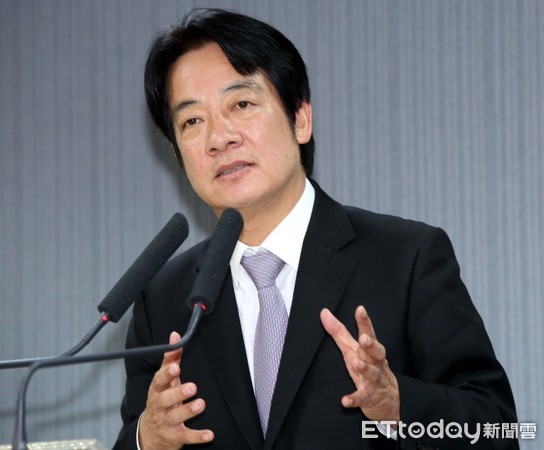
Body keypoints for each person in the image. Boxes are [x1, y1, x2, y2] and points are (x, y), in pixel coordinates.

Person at [113, 8, 518, 450]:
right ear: (177, 153)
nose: (219, 137)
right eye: (192, 121)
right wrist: (147, 438)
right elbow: (133, 435)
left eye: (241, 105)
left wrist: (397, 406)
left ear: (300, 118)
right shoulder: (163, 301)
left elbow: (498, 428)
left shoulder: (406, 259)